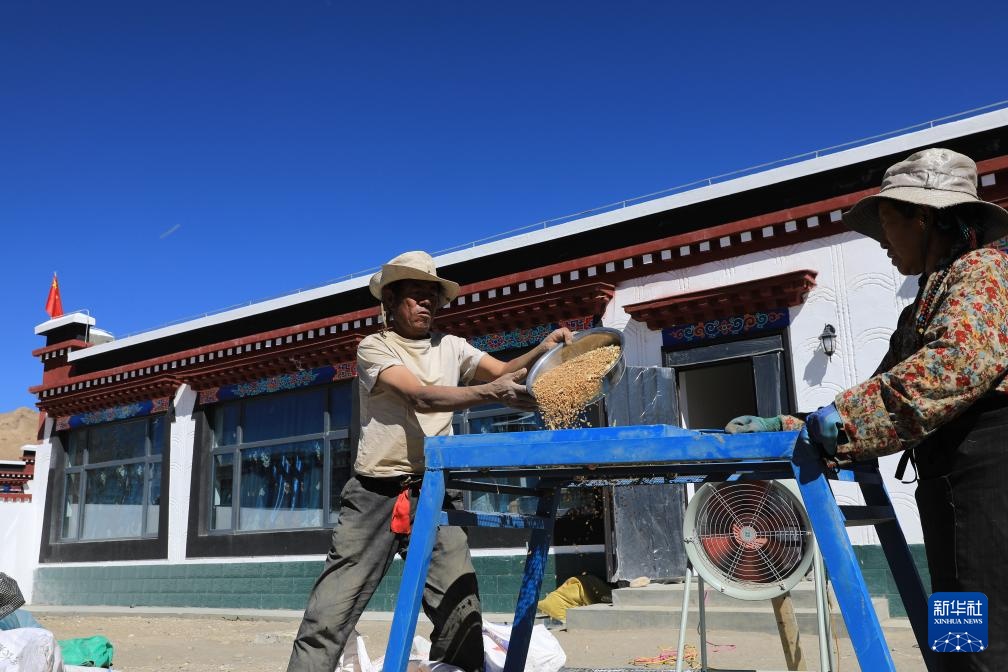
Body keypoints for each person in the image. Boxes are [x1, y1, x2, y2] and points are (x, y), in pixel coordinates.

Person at [726, 148, 1008, 671]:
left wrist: (846, 422)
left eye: (887, 225)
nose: (882, 243)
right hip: (949, 486)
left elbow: (958, 363)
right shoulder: (923, 304)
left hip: (989, 478)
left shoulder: (984, 271)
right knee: (957, 628)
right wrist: (788, 425)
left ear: (923, 217)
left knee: (987, 642)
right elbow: (879, 389)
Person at [287, 250, 572, 672]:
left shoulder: (452, 347)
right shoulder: (375, 347)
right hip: (375, 494)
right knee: (329, 614)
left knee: (462, 613)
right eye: (415, 294)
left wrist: (540, 351)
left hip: (435, 490)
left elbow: (501, 371)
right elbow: (420, 395)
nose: (426, 303)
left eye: (431, 296)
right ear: (390, 301)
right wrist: (491, 393)